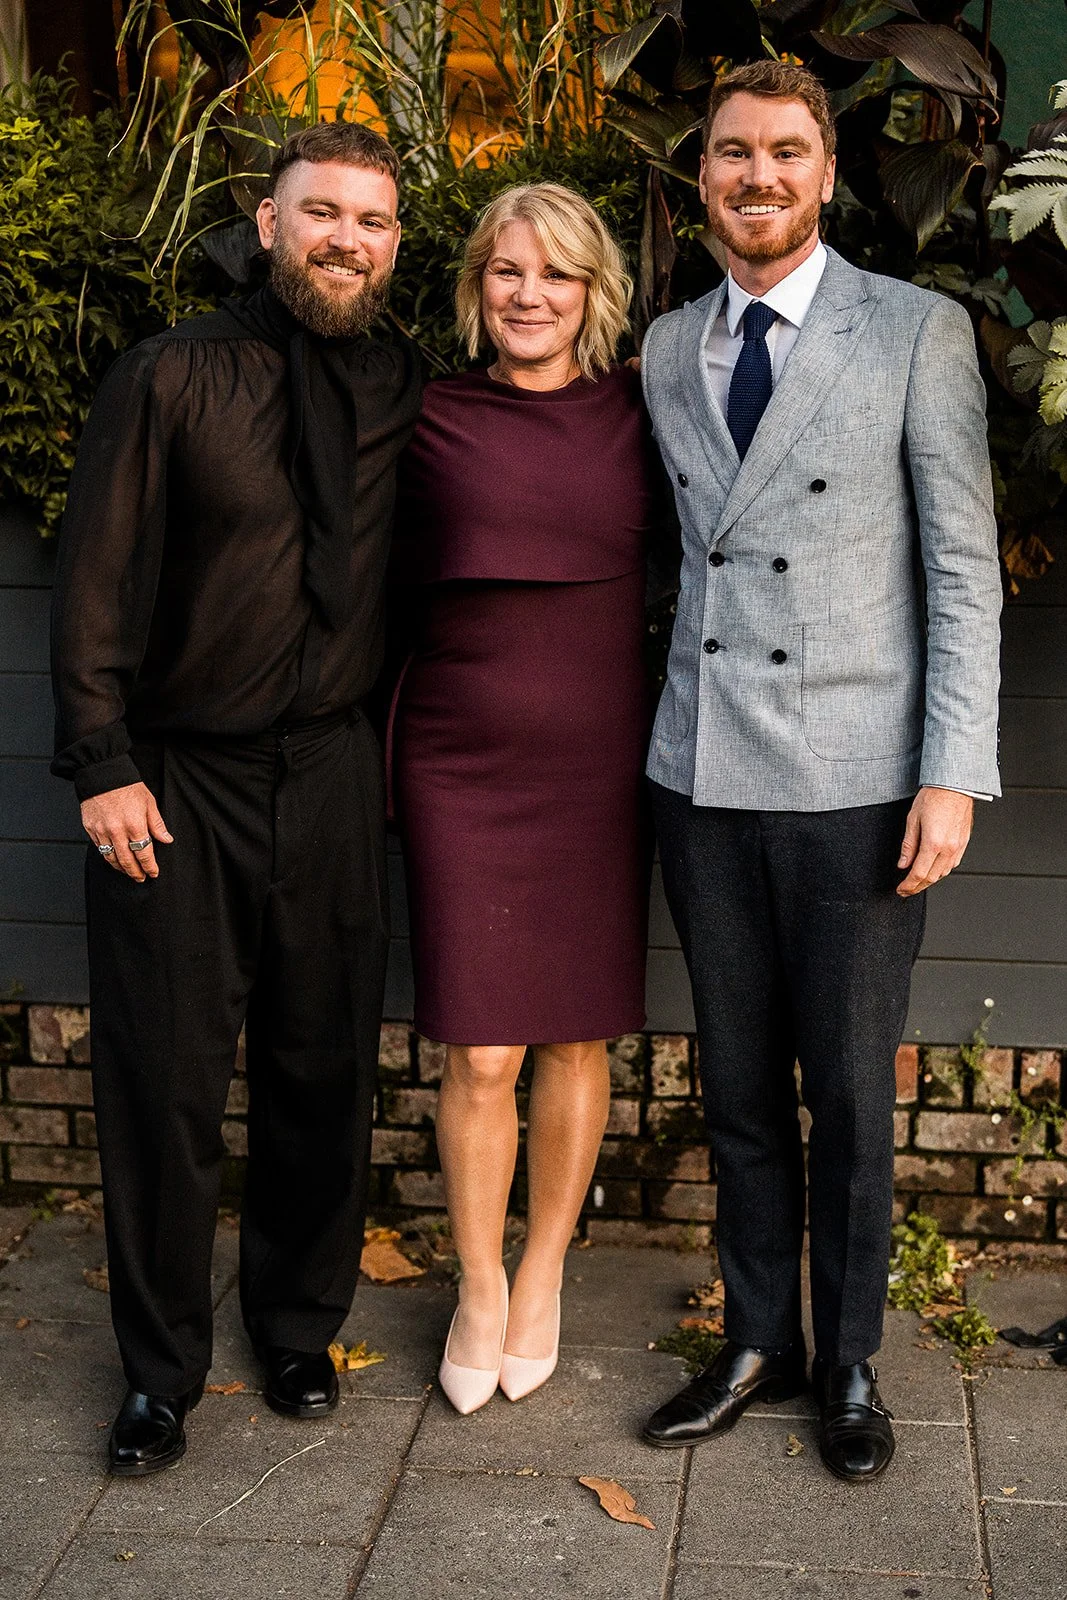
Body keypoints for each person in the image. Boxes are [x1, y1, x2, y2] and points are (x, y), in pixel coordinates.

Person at [639, 61, 1001, 1481]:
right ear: (702, 177)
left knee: (846, 1093)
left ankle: (845, 1358)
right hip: (701, 771)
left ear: (826, 171)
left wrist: (951, 772)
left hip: (855, 776)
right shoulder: (666, 346)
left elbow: (960, 569)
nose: (756, 178)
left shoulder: (913, 331)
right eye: (731, 154)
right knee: (733, 1085)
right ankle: (752, 1340)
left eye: (784, 153)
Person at [50, 122, 422, 1474]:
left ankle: (296, 1329)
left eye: (370, 221)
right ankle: (159, 1373)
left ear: (392, 244)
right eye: (320, 213)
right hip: (177, 778)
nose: (345, 239)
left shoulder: (399, 381)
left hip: (329, 771)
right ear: (268, 225)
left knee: (323, 1065)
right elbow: (92, 577)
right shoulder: (169, 377)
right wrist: (100, 762)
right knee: (163, 1082)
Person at [391, 183, 665, 1414]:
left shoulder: (641, 411)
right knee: (482, 1043)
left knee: (572, 1032)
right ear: (474, 287)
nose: (528, 294)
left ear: (591, 291)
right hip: (458, 760)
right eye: (506, 271)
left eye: (554, 275)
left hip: (600, 761)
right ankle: (478, 1282)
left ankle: (545, 1267)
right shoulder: (422, 411)